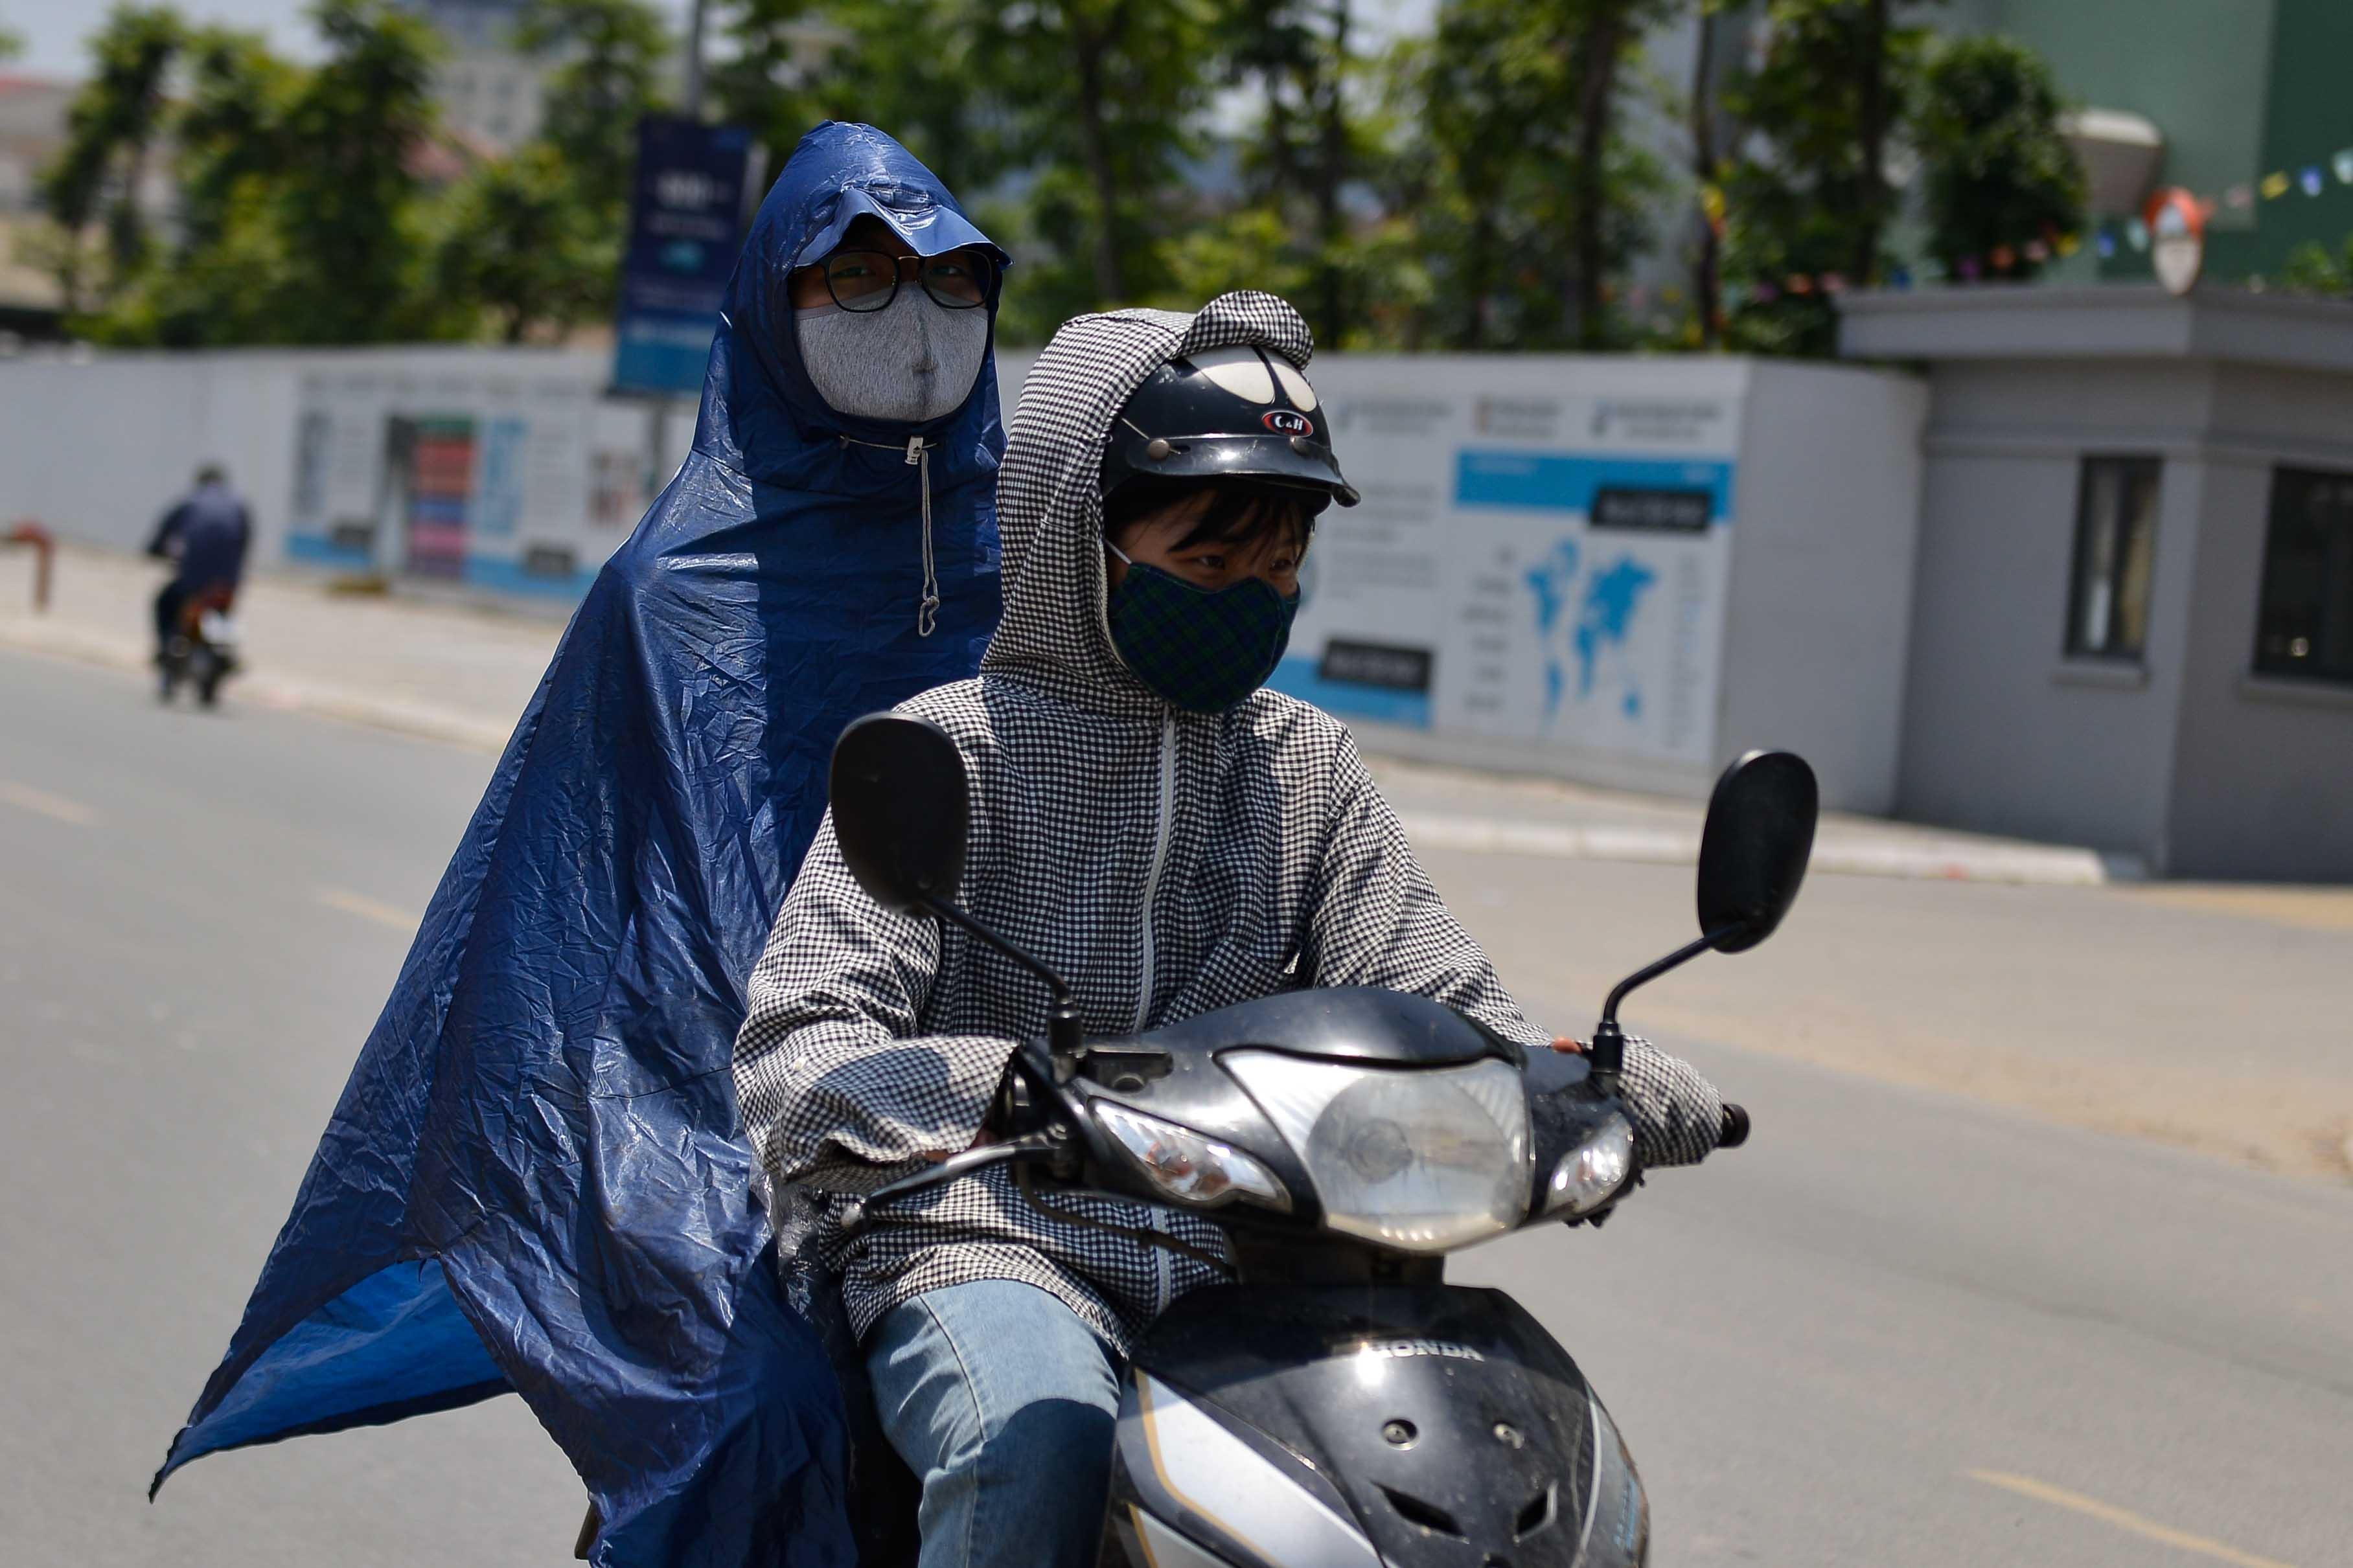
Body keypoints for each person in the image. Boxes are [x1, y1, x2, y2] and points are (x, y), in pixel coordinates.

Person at [732, 291, 1730, 1568]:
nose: (1256, 596)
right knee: (1035, 1439)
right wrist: (1015, 1094)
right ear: (1075, 535)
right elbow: (802, 1045)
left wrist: (1589, 1083)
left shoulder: (1304, 765)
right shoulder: (948, 754)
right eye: (1211, 561)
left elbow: (1434, 995)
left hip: (1253, 1267)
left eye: (1278, 566)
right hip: (987, 1244)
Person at [160, 124, 1007, 1567]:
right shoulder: (669, 586)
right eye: (851, 279)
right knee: (767, 1405)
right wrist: (734, 1123)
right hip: (712, 1116)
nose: (908, 323)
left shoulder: (1025, 561)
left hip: (1006, 1096)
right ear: (768, 307)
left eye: (941, 279)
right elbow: (602, 914)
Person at [145, 464, 249, 663]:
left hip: (195, 575)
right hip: (227, 579)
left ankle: (166, 645)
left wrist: (153, 550)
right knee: (225, 608)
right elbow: (246, 541)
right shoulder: (238, 505)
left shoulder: (191, 501)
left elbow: (164, 532)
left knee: (165, 601)